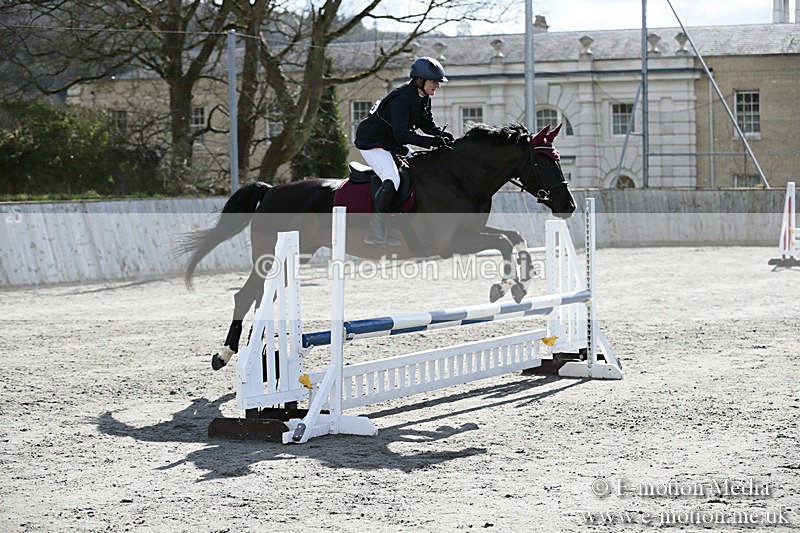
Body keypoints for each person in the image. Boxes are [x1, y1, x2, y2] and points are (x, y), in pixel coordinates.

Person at [355, 56, 454, 246]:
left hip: (391, 142)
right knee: (393, 178)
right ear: (420, 80)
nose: (437, 86)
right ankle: (375, 230)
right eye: (434, 82)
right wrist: (432, 141)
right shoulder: (400, 100)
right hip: (372, 143)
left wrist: (442, 134)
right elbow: (402, 135)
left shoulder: (422, 97)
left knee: (416, 168)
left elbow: (427, 124)